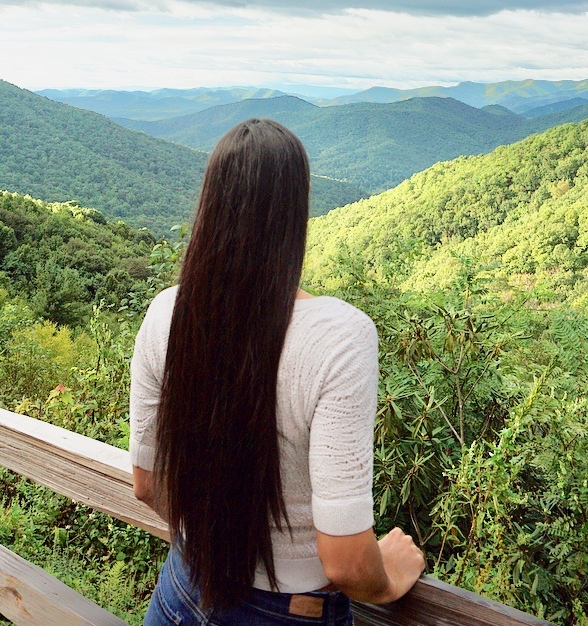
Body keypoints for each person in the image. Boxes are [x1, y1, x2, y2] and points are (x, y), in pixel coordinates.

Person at [129, 118, 425, 625]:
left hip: (181, 590)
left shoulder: (167, 313)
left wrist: (214, 545)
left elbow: (147, 483)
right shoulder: (340, 337)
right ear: (297, 212)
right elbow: (347, 561)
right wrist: (390, 578)